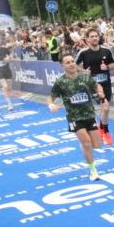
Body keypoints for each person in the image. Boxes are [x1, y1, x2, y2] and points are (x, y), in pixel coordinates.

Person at [48, 53, 106, 181]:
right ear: (63, 66)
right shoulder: (60, 82)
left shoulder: (85, 76)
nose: (71, 64)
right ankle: (93, 171)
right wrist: (51, 105)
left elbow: (97, 86)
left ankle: (84, 146)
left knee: (96, 145)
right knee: (86, 143)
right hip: (74, 117)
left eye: (72, 61)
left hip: (89, 114)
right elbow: (51, 97)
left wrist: (100, 92)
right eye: (67, 62)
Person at [75, 29, 114, 145]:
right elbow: (74, 65)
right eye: (91, 36)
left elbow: (113, 63)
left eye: (96, 36)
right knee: (106, 107)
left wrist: (107, 67)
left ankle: (101, 126)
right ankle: (106, 132)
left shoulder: (106, 51)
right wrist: (84, 71)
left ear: (99, 38)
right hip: (92, 85)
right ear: (87, 39)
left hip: (106, 84)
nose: (94, 38)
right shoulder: (83, 53)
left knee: (105, 110)